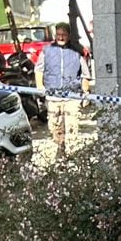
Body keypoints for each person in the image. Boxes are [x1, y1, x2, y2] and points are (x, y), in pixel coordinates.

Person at [36, 21, 86, 153]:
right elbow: (39, 70)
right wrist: (40, 86)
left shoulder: (77, 51)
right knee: (55, 126)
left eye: (63, 35)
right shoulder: (47, 51)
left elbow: (85, 74)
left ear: (68, 35)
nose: (61, 37)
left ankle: (73, 154)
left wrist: (85, 93)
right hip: (53, 96)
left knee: (72, 127)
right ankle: (60, 151)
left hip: (72, 96)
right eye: (58, 34)